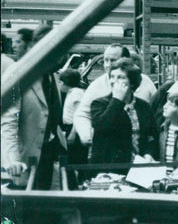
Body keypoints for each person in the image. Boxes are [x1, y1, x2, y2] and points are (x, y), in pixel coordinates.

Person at [1, 24, 65, 189]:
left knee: (42, 206)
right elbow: (8, 120)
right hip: (23, 159)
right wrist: (12, 159)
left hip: (46, 155)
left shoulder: (51, 75)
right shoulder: (19, 73)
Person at [72, 43, 157, 148]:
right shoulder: (96, 85)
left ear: (125, 61)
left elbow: (154, 114)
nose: (107, 65)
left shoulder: (146, 82)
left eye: (112, 60)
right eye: (105, 60)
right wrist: (86, 135)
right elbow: (83, 114)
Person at [89, 58, 158, 166]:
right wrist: (117, 100)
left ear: (132, 83)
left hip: (138, 167)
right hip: (109, 167)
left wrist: (149, 154)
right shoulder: (99, 103)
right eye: (112, 77)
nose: (113, 81)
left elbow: (151, 136)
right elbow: (102, 126)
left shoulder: (143, 106)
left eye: (120, 77)